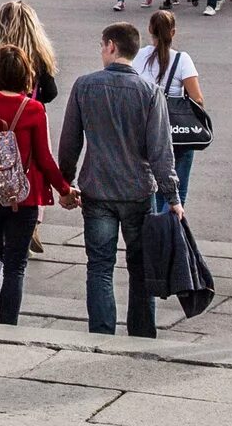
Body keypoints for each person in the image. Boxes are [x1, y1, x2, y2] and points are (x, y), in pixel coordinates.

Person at [55, 22, 178, 337]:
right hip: (139, 192)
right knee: (140, 268)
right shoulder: (151, 92)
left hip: (97, 191)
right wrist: (173, 197)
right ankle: (141, 332)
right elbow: (161, 152)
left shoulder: (84, 86)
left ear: (111, 46)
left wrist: (66, 185)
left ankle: (101, 330)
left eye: (101, 46)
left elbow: (70, 144)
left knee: (99, 266)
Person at [0, 42, 71, 324]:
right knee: (16, 265)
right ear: (26, 74)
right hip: (23, 196)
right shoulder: (33, 109)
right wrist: (65, 189)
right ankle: (7, 322)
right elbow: (45, 159)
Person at [136, 9, 208, 205]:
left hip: (144, 129)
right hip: (176, 132)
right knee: (177, 189)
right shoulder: (181, 60)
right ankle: (169, 229)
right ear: (173, 32)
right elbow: (197, 99)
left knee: (149, 185)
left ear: (150, 29)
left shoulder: (138, 57)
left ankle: (151, 225)